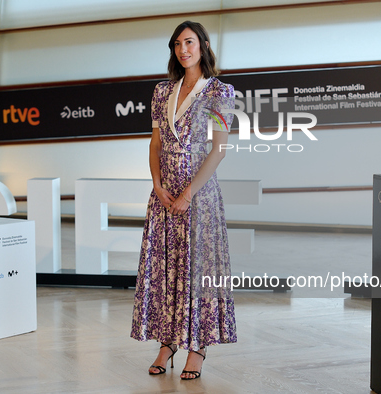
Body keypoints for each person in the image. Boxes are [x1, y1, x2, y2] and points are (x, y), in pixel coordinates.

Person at [130, 20, 237, 380]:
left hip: (199, 195)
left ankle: (198, 345)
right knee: (165, 269)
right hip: (163, 193)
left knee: (197, 270)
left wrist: (188, 195)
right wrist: (158, 186)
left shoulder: (220, 91)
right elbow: (155, 144)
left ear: (203, 45)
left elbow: (219, 150)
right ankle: (167, 340)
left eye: (189, 42)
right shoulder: (163, 91)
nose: (183, 50)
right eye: (177, 44)